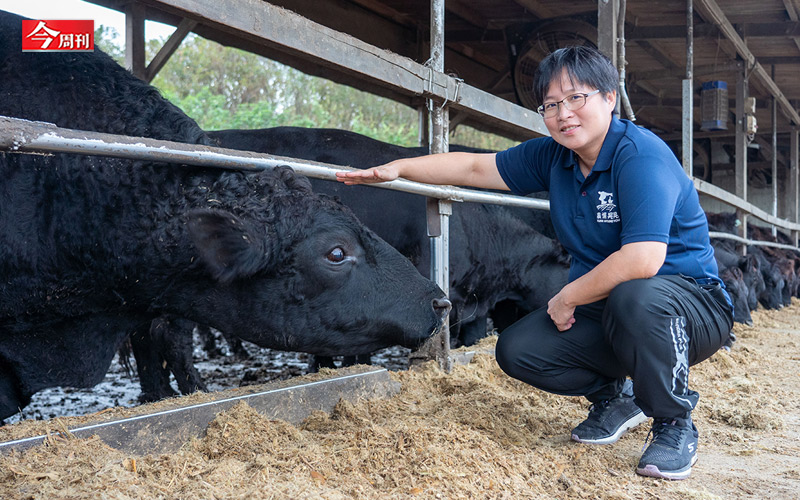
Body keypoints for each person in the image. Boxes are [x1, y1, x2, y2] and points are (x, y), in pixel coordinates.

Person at [336, 45, 733, 481]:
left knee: (635, 295)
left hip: (689, 306)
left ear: (609, 98)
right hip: (615, 307)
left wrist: (566, 298)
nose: (564, 114)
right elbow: (471, 167)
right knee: (518, 350)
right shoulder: (554, 157)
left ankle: (674, 423)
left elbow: (643, 259)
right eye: (551, 104)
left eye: (576, 98)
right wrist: (400, 169)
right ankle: (614, 399)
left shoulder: (639, 156)